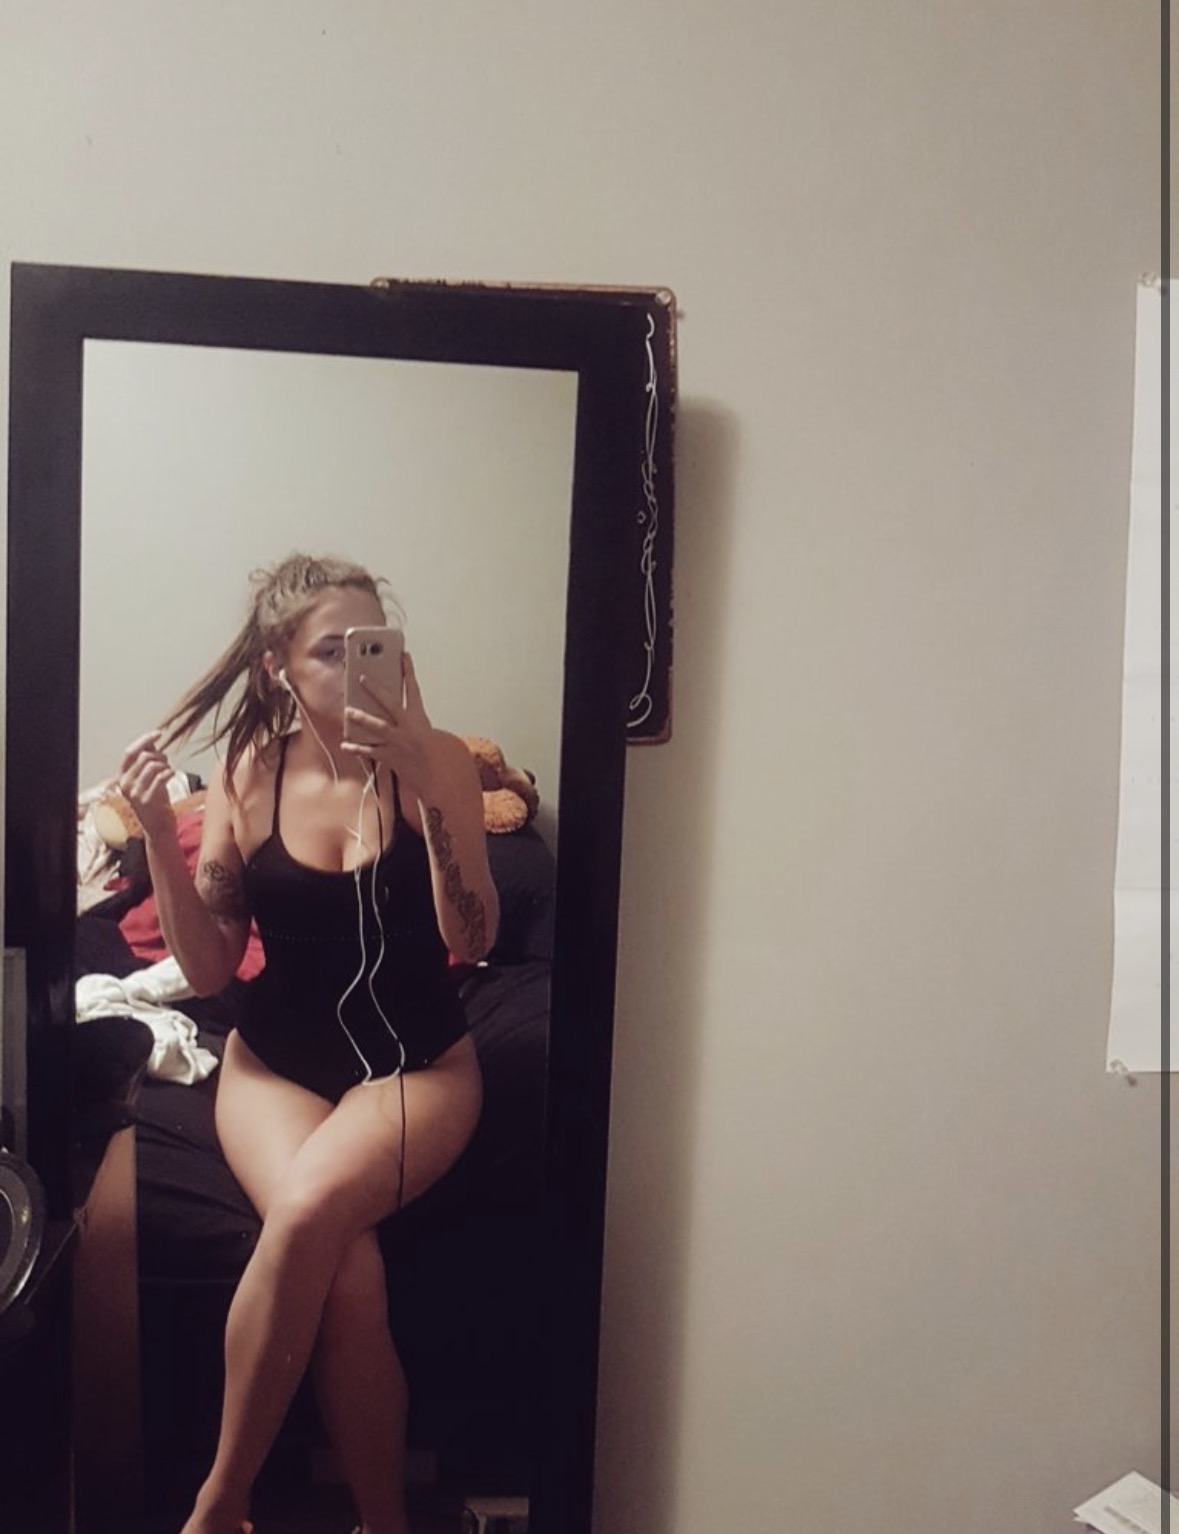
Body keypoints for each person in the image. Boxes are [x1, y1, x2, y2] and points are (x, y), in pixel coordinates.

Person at [117, 554, 498, 1534]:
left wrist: (425, 785)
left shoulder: (438, 762)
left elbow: (472, 936)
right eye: (332, 650)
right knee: (350, 1275)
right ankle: (384, 1524)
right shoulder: (252, 770)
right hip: (273, 1066)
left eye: (374, 643)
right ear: (279, 669)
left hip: (416, 1066)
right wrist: (158, 834)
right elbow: (209, 968)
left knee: (309, 1212)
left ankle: (218, 1504)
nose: (360, 665)